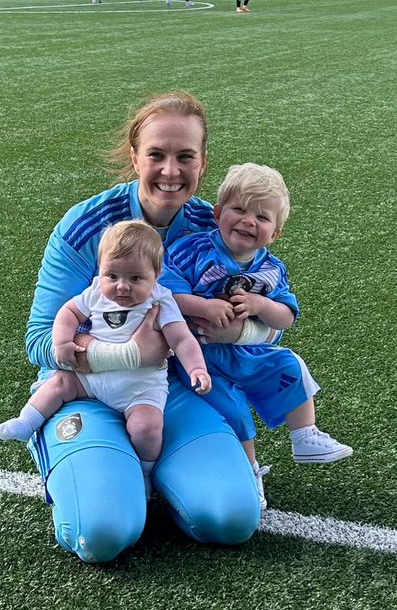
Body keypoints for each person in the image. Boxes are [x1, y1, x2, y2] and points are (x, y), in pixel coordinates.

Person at [20, 91, 262, 562]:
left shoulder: (217, 228)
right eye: (156, 155)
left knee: (232, 519)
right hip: (86, 390)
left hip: (167, 395)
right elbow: (38, 340)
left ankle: (156, 473)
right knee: (104, 532)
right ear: (134, 157)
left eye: (185, 157)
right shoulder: (87, 226)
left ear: (203, 162)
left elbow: (265, 320)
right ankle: (89, 462)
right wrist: (129, 354)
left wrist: (241, 331)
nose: (170, 171)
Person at [163, 162, 353, 509]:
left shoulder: (271, 269)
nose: (249, 221)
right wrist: (203, 308)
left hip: (246, 351)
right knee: (233, 409)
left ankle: (304, 434)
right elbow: (166, 294)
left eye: (262, 218)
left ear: (276, 232)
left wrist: (260, 304)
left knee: (289, 364)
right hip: (200, 357)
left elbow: (286, 316)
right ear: (218, 213)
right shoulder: (192, 250)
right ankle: (249, 470)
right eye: (239, 210)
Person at [0, 220, 212, 496]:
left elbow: (182, 339)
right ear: (100, 270)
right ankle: (27, 422)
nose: (122, 286)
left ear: (156, 275)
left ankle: (146, 473)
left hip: (139, 389)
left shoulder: (161, 302)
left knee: (147, 427)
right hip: (91, 380)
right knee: (60, 383)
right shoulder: (96, 292)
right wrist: (63, 341)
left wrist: (197, 368)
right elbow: (68, 312)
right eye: (112, 275)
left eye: (135, 278)